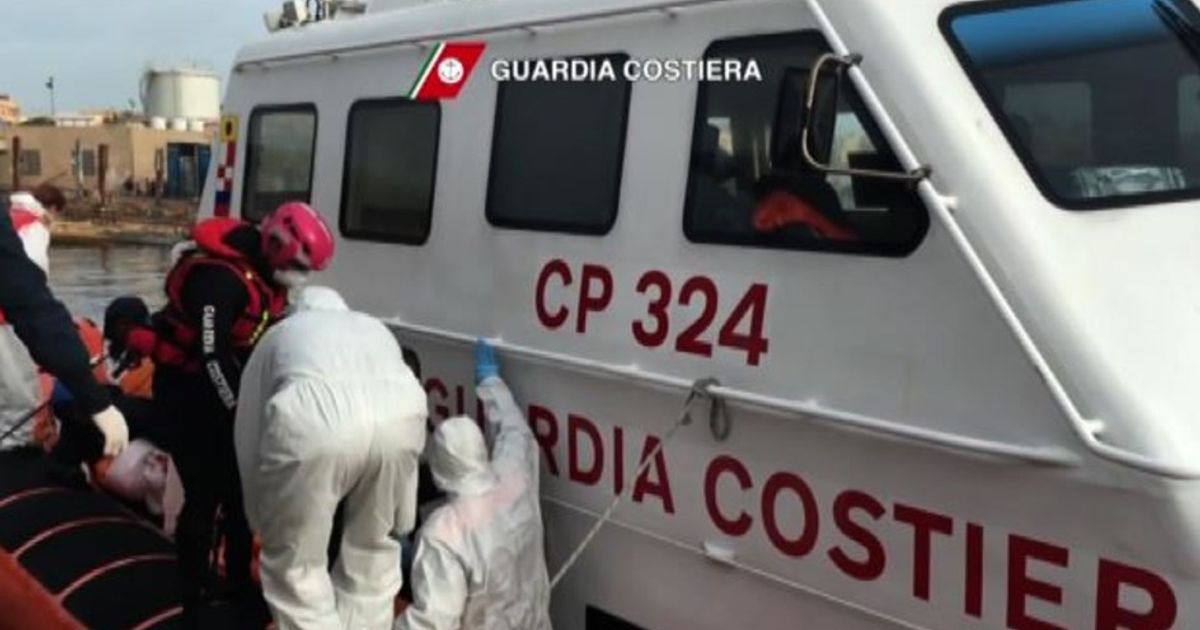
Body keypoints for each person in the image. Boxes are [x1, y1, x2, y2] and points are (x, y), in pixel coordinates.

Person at [150, 202, 335, 626]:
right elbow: (212, 355)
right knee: (203, 495)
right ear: (276, 246)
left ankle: (235, 584)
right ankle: (192, 601)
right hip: (189, 393)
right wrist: (238, 412)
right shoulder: (218, 281)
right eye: (299, 267)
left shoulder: (267, 280)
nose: (300, 279)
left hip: (231, 391)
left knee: (240, 495)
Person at [234, 286, 427, 630]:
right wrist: (404, 518)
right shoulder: (375, 329)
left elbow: (248, 428)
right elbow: (406, 410)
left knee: (296, 567)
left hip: (314, 428)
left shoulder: (280, 335)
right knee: (373, 552)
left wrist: (258, 517)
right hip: (399, 425)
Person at [397, 339, 551, 630]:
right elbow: (517, 432)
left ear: (439, 470)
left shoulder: (443, 533)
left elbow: (432, 623)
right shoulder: (515, 477)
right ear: (481, 448)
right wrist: (490, 381)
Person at [0, 202, 128, 457]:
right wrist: (96, 401)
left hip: (14, 323)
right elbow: (30, 298)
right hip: (9, 327)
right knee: (16, 410)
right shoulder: (33, 229)